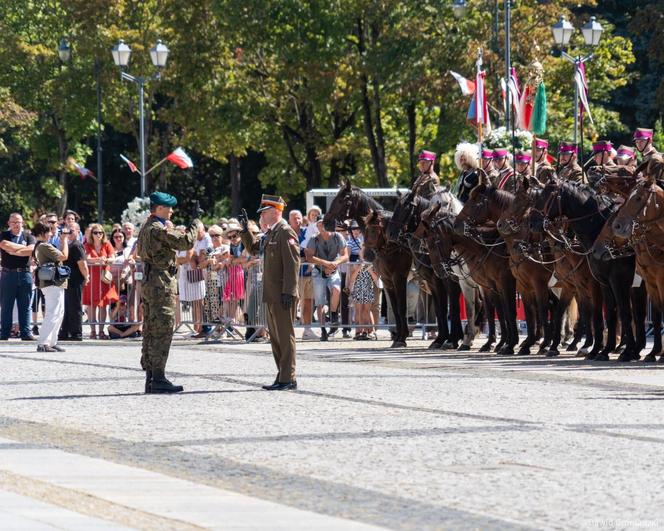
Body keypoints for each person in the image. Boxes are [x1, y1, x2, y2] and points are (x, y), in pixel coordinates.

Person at [136, 191, 200, 394]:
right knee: (162, 330)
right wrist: (195, 223)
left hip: (151, 282)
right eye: (169, 208)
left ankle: (151, 377)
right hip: (160, 284)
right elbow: (186, 242)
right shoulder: (157, 229)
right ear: (160, 209)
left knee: (151, 329)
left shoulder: (147, 227)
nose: (172, 211)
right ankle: (159, 377)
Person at [239, 194, 300, 391]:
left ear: (274, 212)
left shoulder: (285, 232)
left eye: (264, 213)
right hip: (272, 293)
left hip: (283, 293)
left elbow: (292, 265)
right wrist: (245, 230)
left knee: (285, 336)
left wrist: (289, 292)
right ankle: (282, 375)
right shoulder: (271, 233)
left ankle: (288, 378)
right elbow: (254, 248)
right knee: (275, 337)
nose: (262, 217)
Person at [306, 216, 349, 341]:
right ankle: (323, 329)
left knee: (336, 290)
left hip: (333, 269)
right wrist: (326, 264)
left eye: (323, 224)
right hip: (318, 271)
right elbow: (309, 257)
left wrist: (334, 263)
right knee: (320, 302)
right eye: (319, 225)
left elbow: (345, 255)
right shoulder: (314, 239)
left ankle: (334, 315)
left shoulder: (337, 236)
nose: (321, 227)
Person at [32, 221, 69, 352]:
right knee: (53, 313)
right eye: (49, 231)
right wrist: (64, 240)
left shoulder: (41, 245)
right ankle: (43, 343)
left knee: (59, 313)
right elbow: (64, 256)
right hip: (51, 283)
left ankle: (52, 341)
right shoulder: (44, 246)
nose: (51, 234)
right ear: (43, 233)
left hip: (54, 283)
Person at [0, 213, 36, 340]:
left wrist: (13, 250)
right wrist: (23, 249)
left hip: (25, 273)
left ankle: (26, 332)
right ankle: (4, 333)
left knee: (25, 305)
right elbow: (4, 244)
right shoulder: (4, 235)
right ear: (9, 223)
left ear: (22, 223)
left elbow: (32, 249)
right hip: (8, 274)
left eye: (18, 222)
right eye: (13, 222)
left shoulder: (29, 236)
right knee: (6, 305)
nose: (16, 224)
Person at [83, 223, 120, 339]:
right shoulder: (88, 245)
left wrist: (106, 260)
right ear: (91, 234)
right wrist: (98, 259)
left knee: (103, 306)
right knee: (91, 305)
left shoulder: (107, 244)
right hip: (92, 278)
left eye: (100, 232)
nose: (98, 235)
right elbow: (87, 258)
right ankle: (93, 331)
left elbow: (113, 258)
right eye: (95, 233)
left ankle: (101, 331)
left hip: (104, 279)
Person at [58, 223, 89, 342]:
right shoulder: (68, 245)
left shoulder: (76, 245)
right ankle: (65, 331)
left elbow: (82, 264)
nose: (68, 233)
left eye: (71, 231)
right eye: (67, 231)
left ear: (77, 232)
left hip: (75, 280)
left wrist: (86, 276)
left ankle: (76, 333)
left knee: (75, 307)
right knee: (68, 307)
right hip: (69, 280)